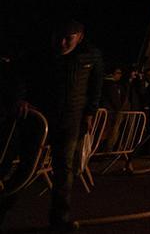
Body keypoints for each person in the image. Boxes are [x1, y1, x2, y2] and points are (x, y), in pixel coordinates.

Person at [3, 18, 104, 232]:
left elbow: (96, 86)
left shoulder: (91, 56)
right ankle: (2, 209)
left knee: (64, 170)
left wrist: (90, 113)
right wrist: (20, 98)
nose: (62, 43)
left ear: (80, 37)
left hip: (70, 120)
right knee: (28, 167)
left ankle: (59, 219)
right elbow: (19, 74)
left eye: (69, 38)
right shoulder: (40, 54)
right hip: (41, 119)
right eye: (59, 37)